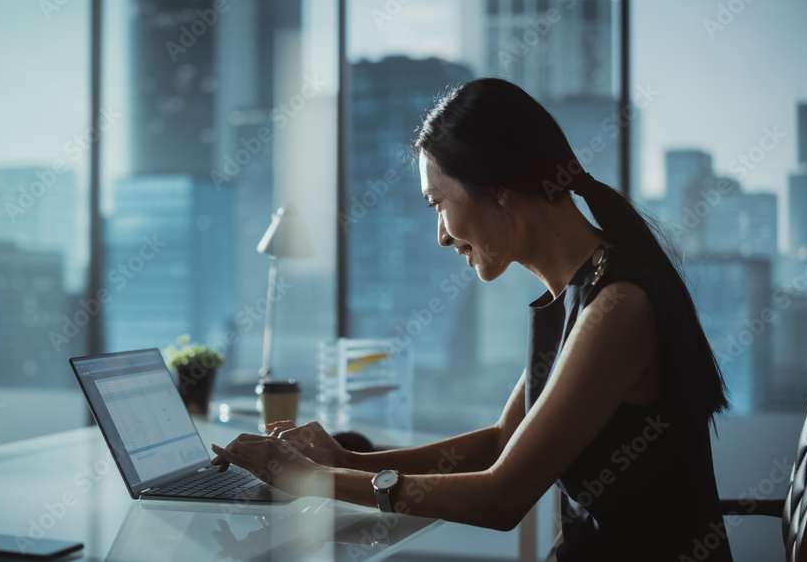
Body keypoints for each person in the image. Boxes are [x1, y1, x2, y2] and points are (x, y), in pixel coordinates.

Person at [212, 78, 734, 561]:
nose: (441, 234)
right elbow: (502, 441)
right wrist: (341, 463)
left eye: (438, 202)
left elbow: (502, 497)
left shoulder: (618, 303)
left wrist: (316, 480)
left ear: (499, 187)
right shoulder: (581, 291)